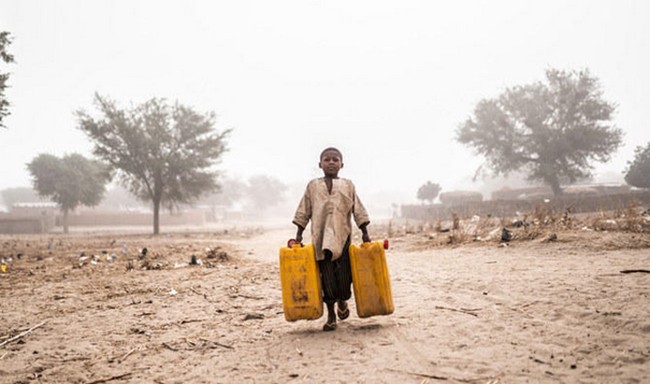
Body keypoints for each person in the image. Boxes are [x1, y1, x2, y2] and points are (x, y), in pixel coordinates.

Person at [292, 147, 371, 331]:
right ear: (320, 164)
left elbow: (357, 209)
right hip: (320, 239)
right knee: (326, 276)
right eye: (327, 159)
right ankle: (331, 315)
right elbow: (304, 209)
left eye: (335, 159)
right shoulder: (313, 186)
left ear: (342, 164)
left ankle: (342, 301)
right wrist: (298, 234)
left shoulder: (348, 185)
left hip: (342, 236)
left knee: (344, 277)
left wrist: (365, 232)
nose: (331, 162)